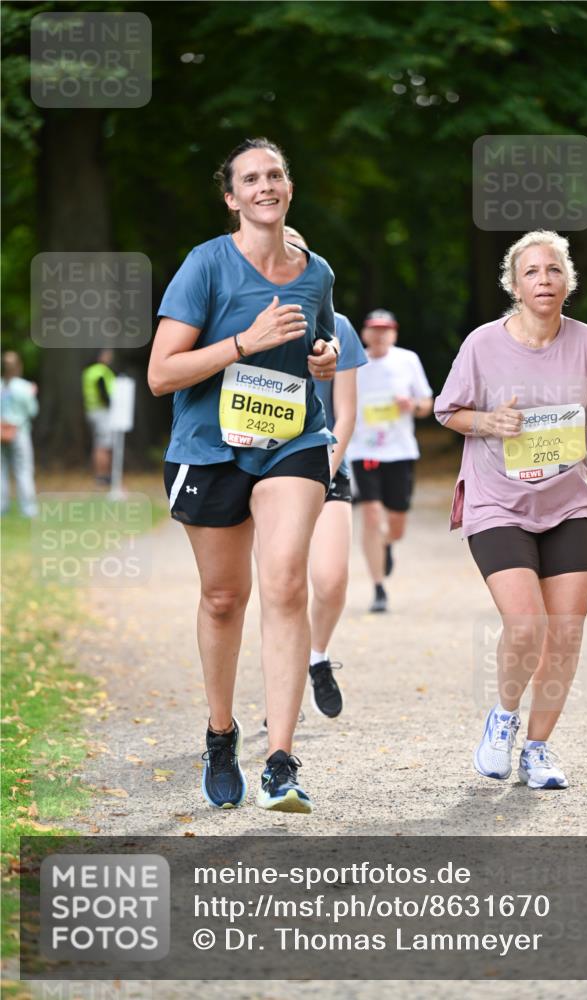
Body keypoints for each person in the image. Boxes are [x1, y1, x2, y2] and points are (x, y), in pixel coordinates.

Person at [147, 138, 339, 814]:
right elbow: (161, 373)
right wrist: (242, 344)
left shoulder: (316, 272)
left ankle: (281, 761)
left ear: (289, 187)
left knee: (284, 581)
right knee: (224, 598)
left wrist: (323, 357)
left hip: (293, 440)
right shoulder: (205, 265)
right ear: (231, 196)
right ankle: (221, 733)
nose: (265, 185)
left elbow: (319, 342)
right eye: (250, 178)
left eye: (276, 174)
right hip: (209, 446)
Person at [434, 230, 587, 790]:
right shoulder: (482, 343)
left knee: (566, 632)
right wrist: (489, 422)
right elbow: (448, 410)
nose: (543, 280)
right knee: (526, 625)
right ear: (514, 284)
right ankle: (503, 719)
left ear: (567, 281)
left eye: (553, 270)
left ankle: (538, 749)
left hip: (568, 501)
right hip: (497, 498)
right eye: (531, 272)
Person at [282, 226, 367, 718]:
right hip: (265, 471)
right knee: (282, 583)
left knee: (330, 580)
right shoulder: (249, 321)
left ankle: (317, 657)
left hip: (325, 463)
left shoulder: (339, 326)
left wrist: (322, 471)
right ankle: (285, 682)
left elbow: (347, 413)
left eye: (298, 249)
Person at [347, 310, 433, 613]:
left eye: (386, 330)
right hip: (363, 450)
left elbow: (426, 403)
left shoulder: (407, 360)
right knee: (370, 514)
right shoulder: (353, 362)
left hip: (400, 450)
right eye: (375, 330)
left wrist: (413, 405)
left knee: (396, 525)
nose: (380, 335)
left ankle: (387, 544)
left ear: (394, 334)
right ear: (365, 333)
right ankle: (378, 587)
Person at [1, 351, 39, 518]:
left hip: (1, 431)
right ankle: (28, 509)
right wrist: (33, 394)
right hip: (19, 431)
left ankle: (2, 507)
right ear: (18, 366)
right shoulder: (24, 387)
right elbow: (33, 411)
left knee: (1, 471)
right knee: (24, 469)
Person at [82, 349, 115, 486]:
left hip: (92, 410)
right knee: (103, 445)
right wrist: (110, 402)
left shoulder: (88, 371)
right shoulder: (101, 371)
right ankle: (103, 476)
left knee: (98, 444)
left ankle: (101, 475)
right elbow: (102, 390)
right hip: (102, 411)